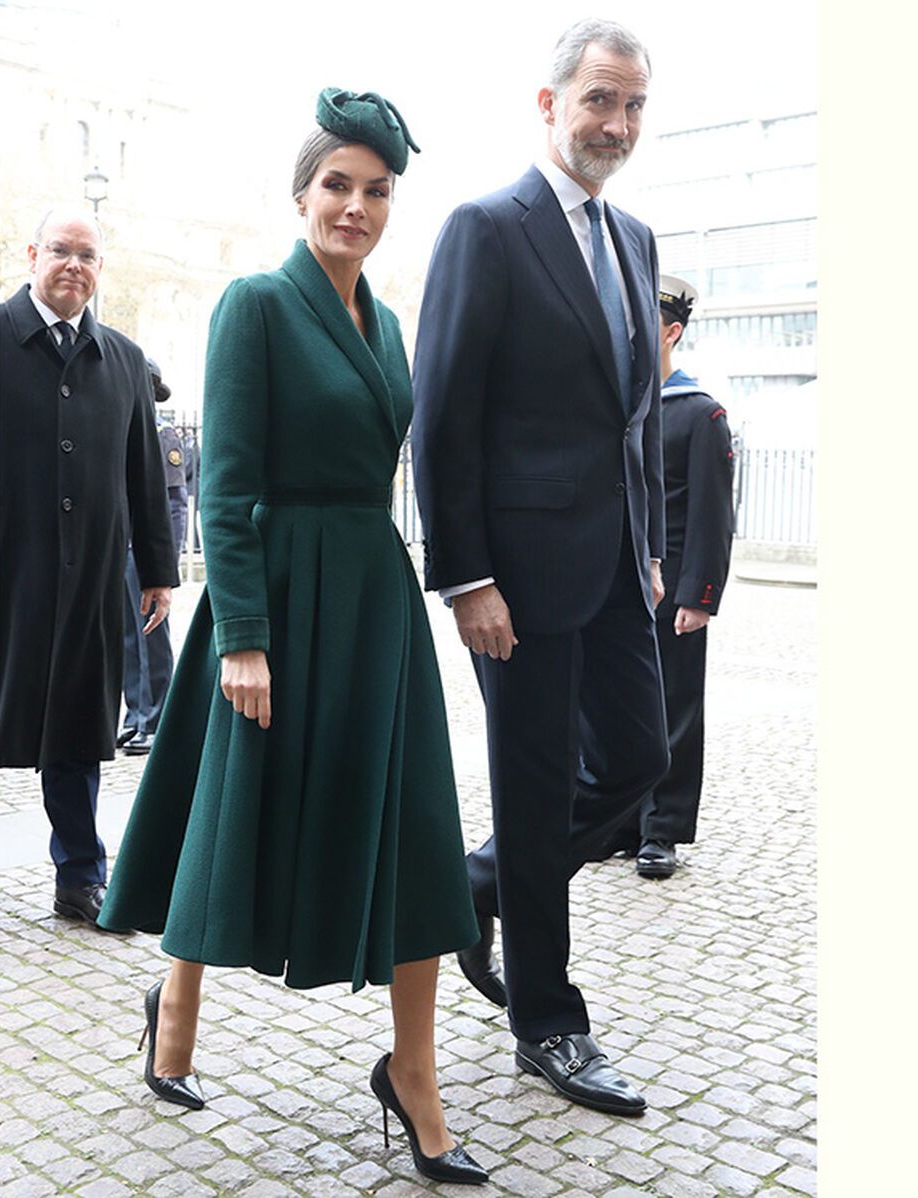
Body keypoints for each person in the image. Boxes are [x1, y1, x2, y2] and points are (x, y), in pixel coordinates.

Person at [98, 89, 488, 1186]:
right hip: (274, 598)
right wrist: (243, 636)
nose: (354, 206)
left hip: (372, 598)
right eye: (336, 185)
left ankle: (414, 1074)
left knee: (412, 827)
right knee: (233, 810)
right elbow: (223, 485)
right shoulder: (254, 304)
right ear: (302, 193)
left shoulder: (393, 324)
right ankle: (175, 1005)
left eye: (375, 190)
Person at [411, 18, 669, 1117]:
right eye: (598, 100)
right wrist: (467, 576)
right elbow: (443, 414)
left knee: (638, 762)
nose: (614, 123)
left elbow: (636, 417)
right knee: (528, 783)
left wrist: (649, 546)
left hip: (614, 564)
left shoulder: (637, 237)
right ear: (548, 104)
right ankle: (547, 1022)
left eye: (632, 106)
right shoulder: (486, 227)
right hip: (514, 577)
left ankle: (477, 885)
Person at [0, 207, 178, 927]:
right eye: (62, 251)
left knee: (76, 729)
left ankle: (80, 876)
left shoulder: (126, 362)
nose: (76, 264)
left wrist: (158, 571)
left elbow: (143, 480)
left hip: (90, 583)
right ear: (33, 254)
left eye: (89, 255)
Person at [616, 275, 735, 878]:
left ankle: (661, 828)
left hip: (676, 595)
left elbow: (715, 517)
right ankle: (620, 820)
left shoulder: (699, 412)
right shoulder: (620, 405)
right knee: (618, 708)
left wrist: (701, 597)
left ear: (672, 330)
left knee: (675, 709)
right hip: (618, 586)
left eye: (645, 320)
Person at [118, 359, 188, 756]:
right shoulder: (124, 428)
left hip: (145, 551)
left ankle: (157, 718)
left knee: (151, 635)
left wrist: (166, 561)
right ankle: (135, 716)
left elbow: (173, 504)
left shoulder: (161, 434)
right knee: (128, 634)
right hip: (122, 544)